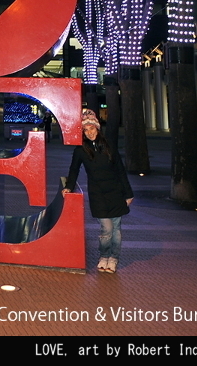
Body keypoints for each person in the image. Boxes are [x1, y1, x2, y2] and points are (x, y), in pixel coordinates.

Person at [62, 108, 133, 273]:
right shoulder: (80, 150)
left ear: (97, 128)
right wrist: (68, 186)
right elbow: (74, 170)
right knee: (106, 229)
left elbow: (120, 171)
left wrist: (128, 194)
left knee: (116, 230)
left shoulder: (109, 146)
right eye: (85, 130)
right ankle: (103, 256)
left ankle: (114, 259)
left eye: (91, 128)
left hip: (115, 192)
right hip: (97, 194)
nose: (89, 133)